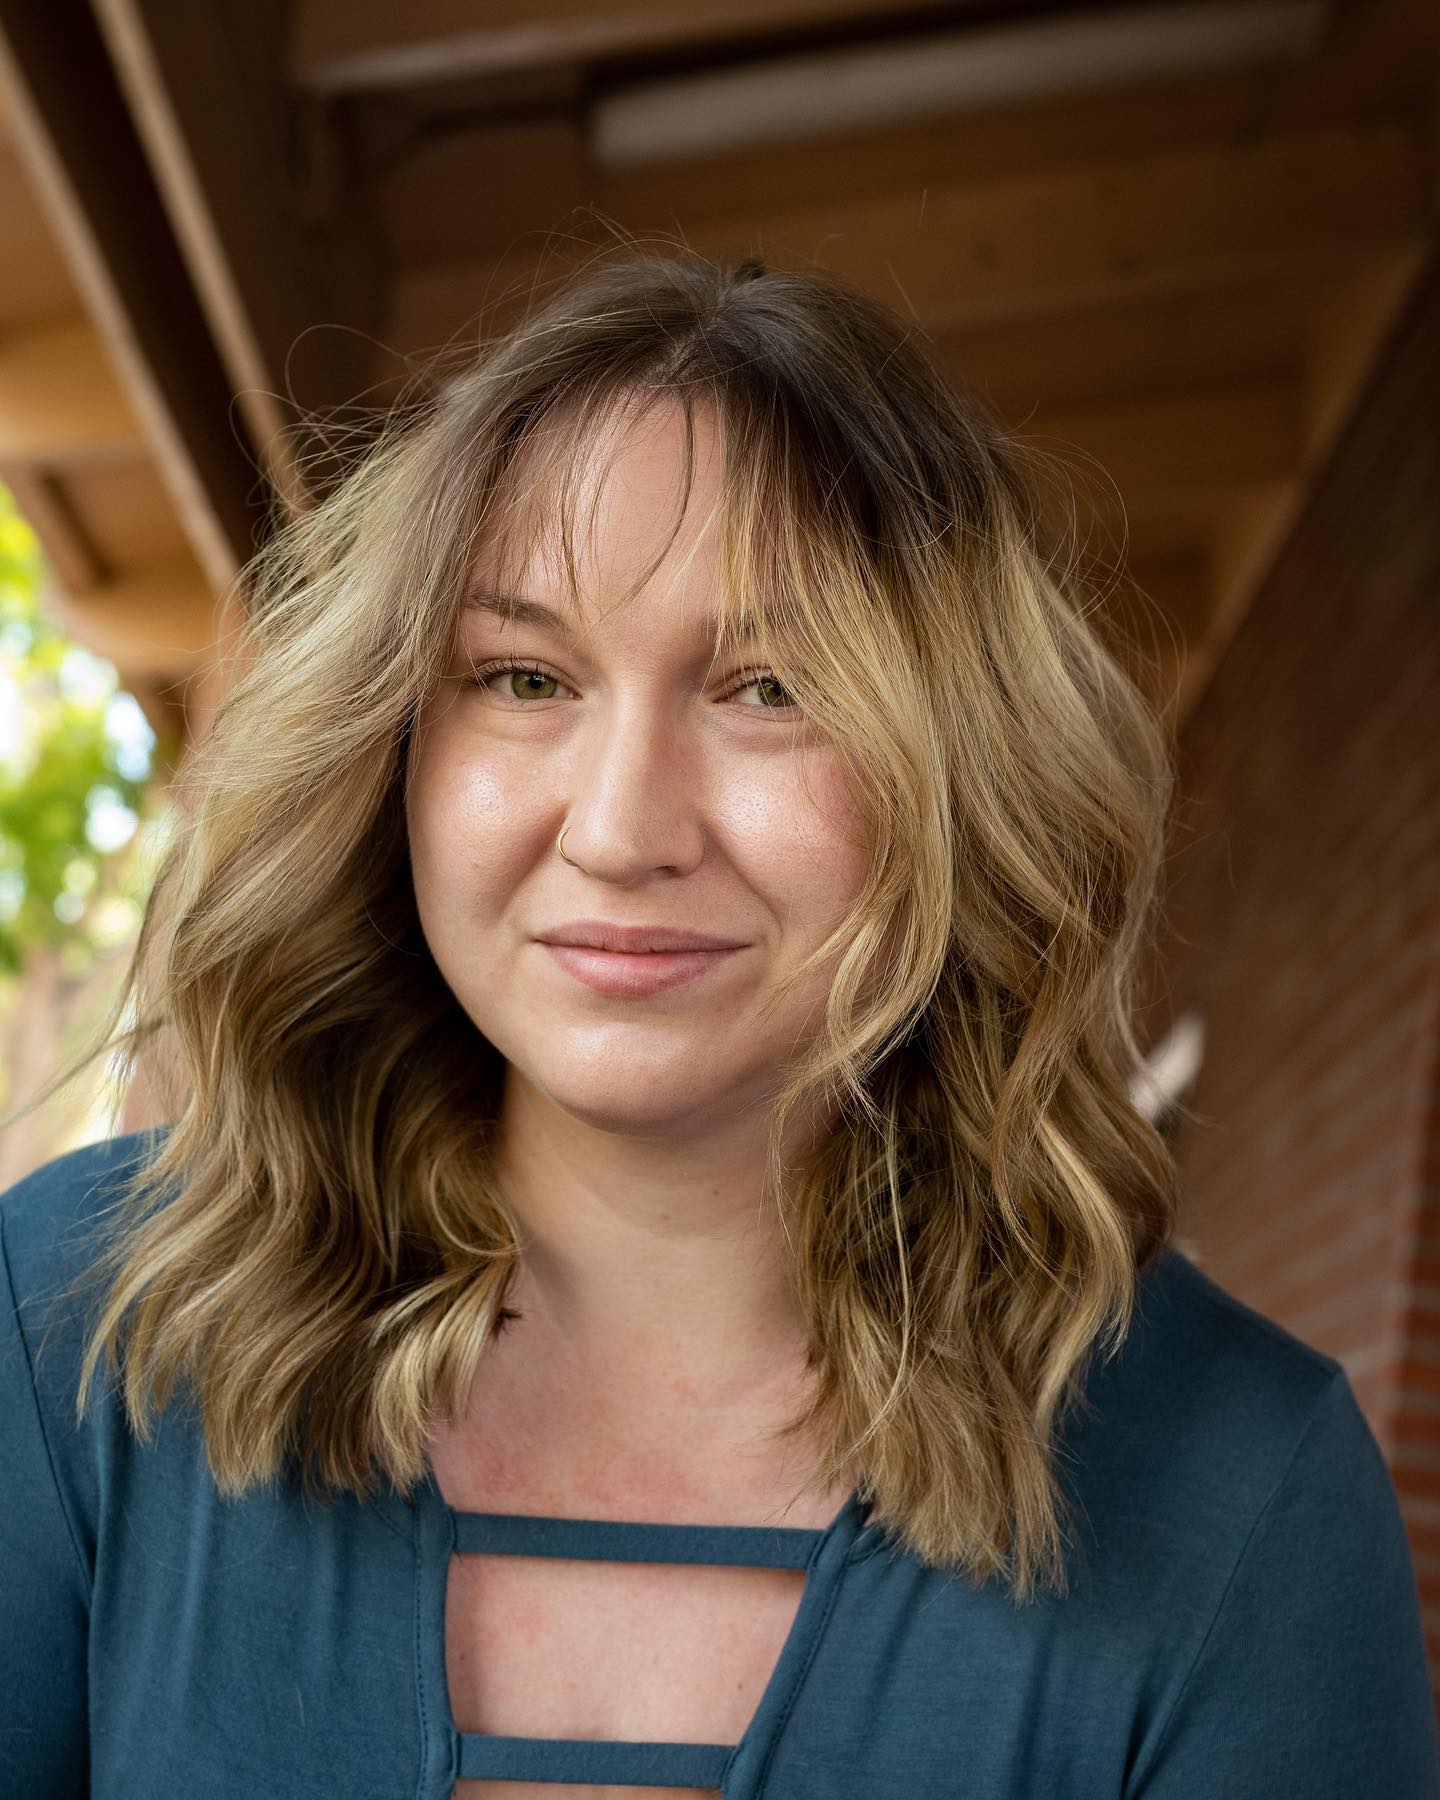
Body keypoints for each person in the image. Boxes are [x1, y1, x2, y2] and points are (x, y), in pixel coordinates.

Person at [1, 248, 1435, 1800]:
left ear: (967, 772)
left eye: (770, 688)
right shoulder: (74, 1333)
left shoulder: (1240, 1487)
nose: (621, 831)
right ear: (396, 743)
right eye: (524, 675)